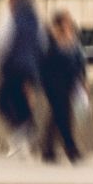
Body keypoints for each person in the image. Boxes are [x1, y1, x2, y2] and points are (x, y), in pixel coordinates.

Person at [0, 0, 45, 158]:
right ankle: (23, 140)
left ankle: (22, 135)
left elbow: (1, 43)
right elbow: (42, 45)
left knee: (1, 100)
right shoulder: (35, 20)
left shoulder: (11, 18)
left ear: (14, 2)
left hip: (11, 68)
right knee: (23, 103)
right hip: (31, 70)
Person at [36, 9, 87, 164]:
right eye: (65, 20)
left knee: (57, 115)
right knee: (63, 114)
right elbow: (44, 61)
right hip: (53, 82)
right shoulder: (50, 38)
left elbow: (80, 60)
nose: (68, 23)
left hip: (70, 81)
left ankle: (47, 148)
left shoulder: (74, 39)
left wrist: (83, 80)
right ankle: (71, 148)